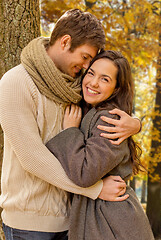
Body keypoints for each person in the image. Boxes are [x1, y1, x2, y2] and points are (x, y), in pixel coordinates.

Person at [0, 9, 141, 239]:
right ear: (65, 42)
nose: (87, 67)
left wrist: (136, 123)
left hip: (72, 222)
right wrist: (95, 189)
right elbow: (32, 158)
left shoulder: (77, 85)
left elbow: (108, 103)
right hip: (30, 225)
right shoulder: (16, 82)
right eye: (85, 57)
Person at [46, 50, 154, 240]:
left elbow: (84, 174)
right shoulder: (91, 110)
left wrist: (70, 131)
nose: (94, 83)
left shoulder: (109, 118)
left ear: (116, 88)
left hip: (111, 222)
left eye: (105, 79)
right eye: (91, 73)